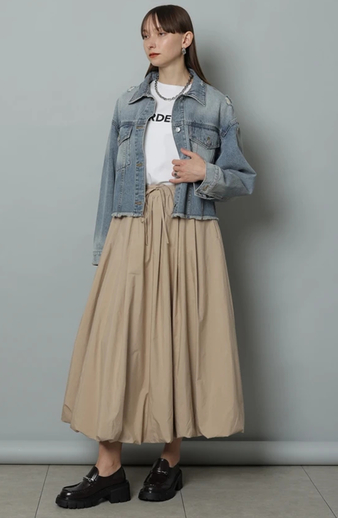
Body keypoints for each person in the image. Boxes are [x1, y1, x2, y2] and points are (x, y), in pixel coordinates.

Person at [56, 4, 257, 510]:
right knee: (115, 339)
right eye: (145, 34)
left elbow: (243, 179)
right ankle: (108, 470)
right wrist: (104, 245)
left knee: (179, 335)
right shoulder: (128, 103)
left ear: (185, 40)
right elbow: (110, 176)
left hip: (189, 227)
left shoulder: (216, 105)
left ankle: (169, 460)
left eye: (161, 34)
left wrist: (206, 174)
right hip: (132, 222)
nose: (151, 42)